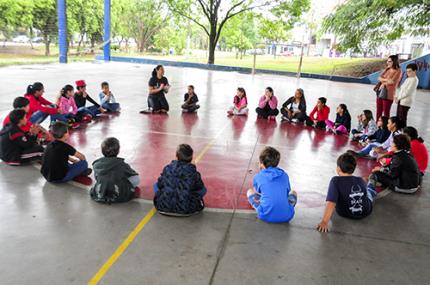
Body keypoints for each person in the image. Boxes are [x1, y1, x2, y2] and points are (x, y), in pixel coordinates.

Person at [317, 153, 376, 233]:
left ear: (338, 169)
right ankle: (371, 182)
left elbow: (331, 202)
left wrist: (324, 222)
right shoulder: (360, 180)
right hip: (365, 211)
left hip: (345, 212)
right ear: (353, 169)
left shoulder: (335, 181)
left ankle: (371, 184)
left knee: (369, 191)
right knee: (368, 192)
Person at [247, 146, 297, 223]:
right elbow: (286, 192)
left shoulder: (258, 176)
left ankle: (263, 206)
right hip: (287, 216)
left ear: (261, 163)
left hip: (265, 215)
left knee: (250, 192)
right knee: (293, 193)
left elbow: (257, 192)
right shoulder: (284, 175)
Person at [153, 144, 206, 215]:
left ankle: (166, 199)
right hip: (186, 208)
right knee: (203, 189)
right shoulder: (193, 172)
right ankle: (185, 201)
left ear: (176, 156)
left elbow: (160, 184)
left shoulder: (168, 168)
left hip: (162, 206)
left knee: (156, 185)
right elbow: (200, 188)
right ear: (191, 157)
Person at [90, 137, 139, 203]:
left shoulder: (96, 163)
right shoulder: (121, 163)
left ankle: (104, 186)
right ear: (118, 151)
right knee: (136, 179)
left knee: (100, 176)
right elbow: (133, 174)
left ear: (102, 151)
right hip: (119, 192)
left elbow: (96, 176)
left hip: (102, 188)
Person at [375, 55, 402, 120]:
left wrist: (383, 81)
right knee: (378, 112)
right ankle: (377, 127)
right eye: (387, 61)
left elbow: (392, 81)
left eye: (389, 61)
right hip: (380, 92)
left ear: (394, 62)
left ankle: (386, 128)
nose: (387, 62)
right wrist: (386, 80)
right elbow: (379, 78)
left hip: (388, 95)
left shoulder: (398, 71)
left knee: (386, 113)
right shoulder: (387, 69)